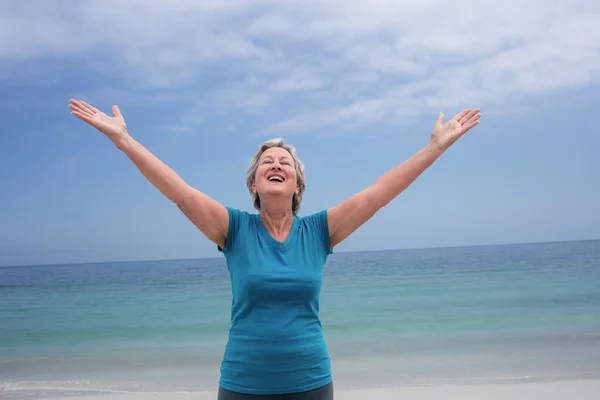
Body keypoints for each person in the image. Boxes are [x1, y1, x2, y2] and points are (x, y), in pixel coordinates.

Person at [68, 99, 481, 399]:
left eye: (285, 161)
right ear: (253, 184)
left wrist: (435, 148)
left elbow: (378, 194)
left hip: (311, 383)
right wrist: (124, 140)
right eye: (267, 162)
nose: (276, 165)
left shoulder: (320, 231)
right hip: (243, 385)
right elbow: (178, 190)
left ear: (297, 185)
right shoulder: (232, 230)